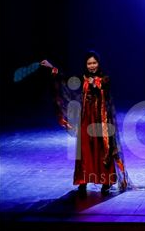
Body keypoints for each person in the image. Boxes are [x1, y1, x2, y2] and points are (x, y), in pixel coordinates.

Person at [40, 51, 130, 194]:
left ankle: (105, 182)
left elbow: (102, 88)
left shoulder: (105, 79)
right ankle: (83, 181)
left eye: (94, 63)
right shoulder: (82, 78)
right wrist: (52, 68)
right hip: (86, 119)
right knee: (84, 150)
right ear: (86, 65)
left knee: (102, 150)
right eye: (89, 63)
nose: (92, 66)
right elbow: (66, 79)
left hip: (101, 121)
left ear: (98, 64)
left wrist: (95, 84)